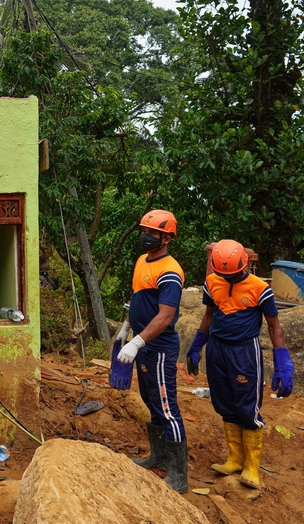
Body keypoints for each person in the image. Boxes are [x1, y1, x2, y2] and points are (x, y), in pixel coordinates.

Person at [185, 239, 293, 489]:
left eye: (233, 274)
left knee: (247, 406)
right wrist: (196, 345)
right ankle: (234, 458)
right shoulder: (212, 282)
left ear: (244, 266)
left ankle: (252, 466)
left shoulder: (259, 288)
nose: (229, 278)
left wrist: (283, 363)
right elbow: (209, 315)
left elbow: (274, 326)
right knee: (224, 403)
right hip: (217, 348)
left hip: (244, 350)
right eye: (225, 274)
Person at [116, 209, 188, 493]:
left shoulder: (170, 271)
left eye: (153, 233)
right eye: (144, 231)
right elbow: (137, 300)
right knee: (151, 401)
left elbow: (166, 315)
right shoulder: (141, 261)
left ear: (167, 238)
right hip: (143, 345)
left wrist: (138, 341)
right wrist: (126, 328)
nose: (146, 236)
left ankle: (179, 474)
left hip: (158, 348)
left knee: (167, 407)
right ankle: (158, 457)